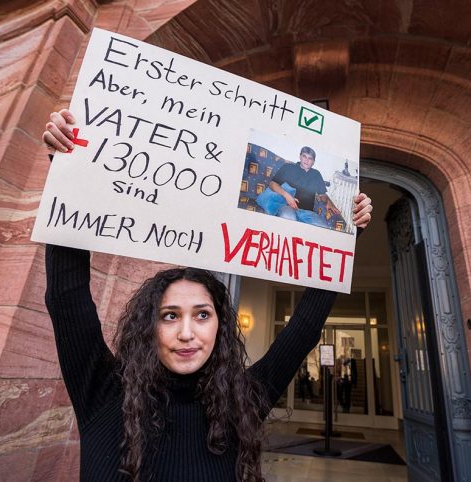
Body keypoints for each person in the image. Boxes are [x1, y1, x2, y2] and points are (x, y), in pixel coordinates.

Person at [42, 109, 373, 481]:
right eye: (170, 315)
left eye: (202, 314)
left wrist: (343, 241)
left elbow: (304, 328)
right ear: (147, 326)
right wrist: (67, 172)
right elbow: (67, 296)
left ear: (220, 325)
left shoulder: (243, 399)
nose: (187, 333)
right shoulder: (102, 392)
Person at [258, 146, 340, 228]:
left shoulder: (316, 174)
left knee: (323, 227)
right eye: (304, 156)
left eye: (310, 158)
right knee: (289, 218)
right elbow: (272, 184)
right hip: (287, 207)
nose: (306, 160)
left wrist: (329, 202)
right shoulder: (288, 167)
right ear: (300, 156)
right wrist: (287, 196)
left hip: (308, 212)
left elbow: (322, 195)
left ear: (313, 162)